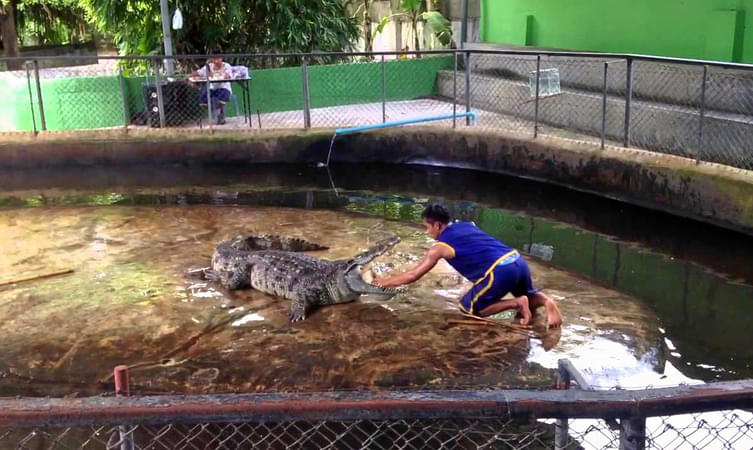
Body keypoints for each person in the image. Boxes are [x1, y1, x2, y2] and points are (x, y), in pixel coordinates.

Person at [372, 204, 563, 328]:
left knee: (468, 308)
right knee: (530, 295)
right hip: (516, 260)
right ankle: (547, 302)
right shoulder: (467, 224)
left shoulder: (439, 248)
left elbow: (413, 276)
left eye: (427, 227)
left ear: (437, 225)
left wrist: (384, 282)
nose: (427, 231)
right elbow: (475, 246)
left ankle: (516, 303)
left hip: (499, 271)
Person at [191, 55, 233, 125]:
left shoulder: (226, 66)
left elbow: (228, 75)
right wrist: (190, 76)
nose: (216, 61)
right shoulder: (209, 66)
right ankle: (216, 111)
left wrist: (221, 74)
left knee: (223, 96)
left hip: (224, 87)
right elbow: (199, 72)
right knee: (202, 99)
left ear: (221, 58)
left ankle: (220, 115)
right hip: (212, 88)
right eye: (214, 59)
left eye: (218, 58)